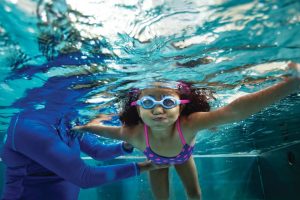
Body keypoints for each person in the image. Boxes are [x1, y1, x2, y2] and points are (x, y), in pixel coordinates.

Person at [73, 62, 300, 200]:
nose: (158, 109)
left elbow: (235, 111)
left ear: (181, 105)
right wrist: (83, 127)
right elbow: (104, 131)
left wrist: (291, 83)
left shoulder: (189, 123)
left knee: (195, 194)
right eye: (148, 103)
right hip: (155, 162)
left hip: (184, 157)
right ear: (138, 110)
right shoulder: (134, 133)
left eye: (168, 103)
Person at [1, 108, 167, 200]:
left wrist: (128, 144)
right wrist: (147, 166)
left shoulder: (67, 120)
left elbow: (97, 152)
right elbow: (84, 177)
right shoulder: (28, 125)